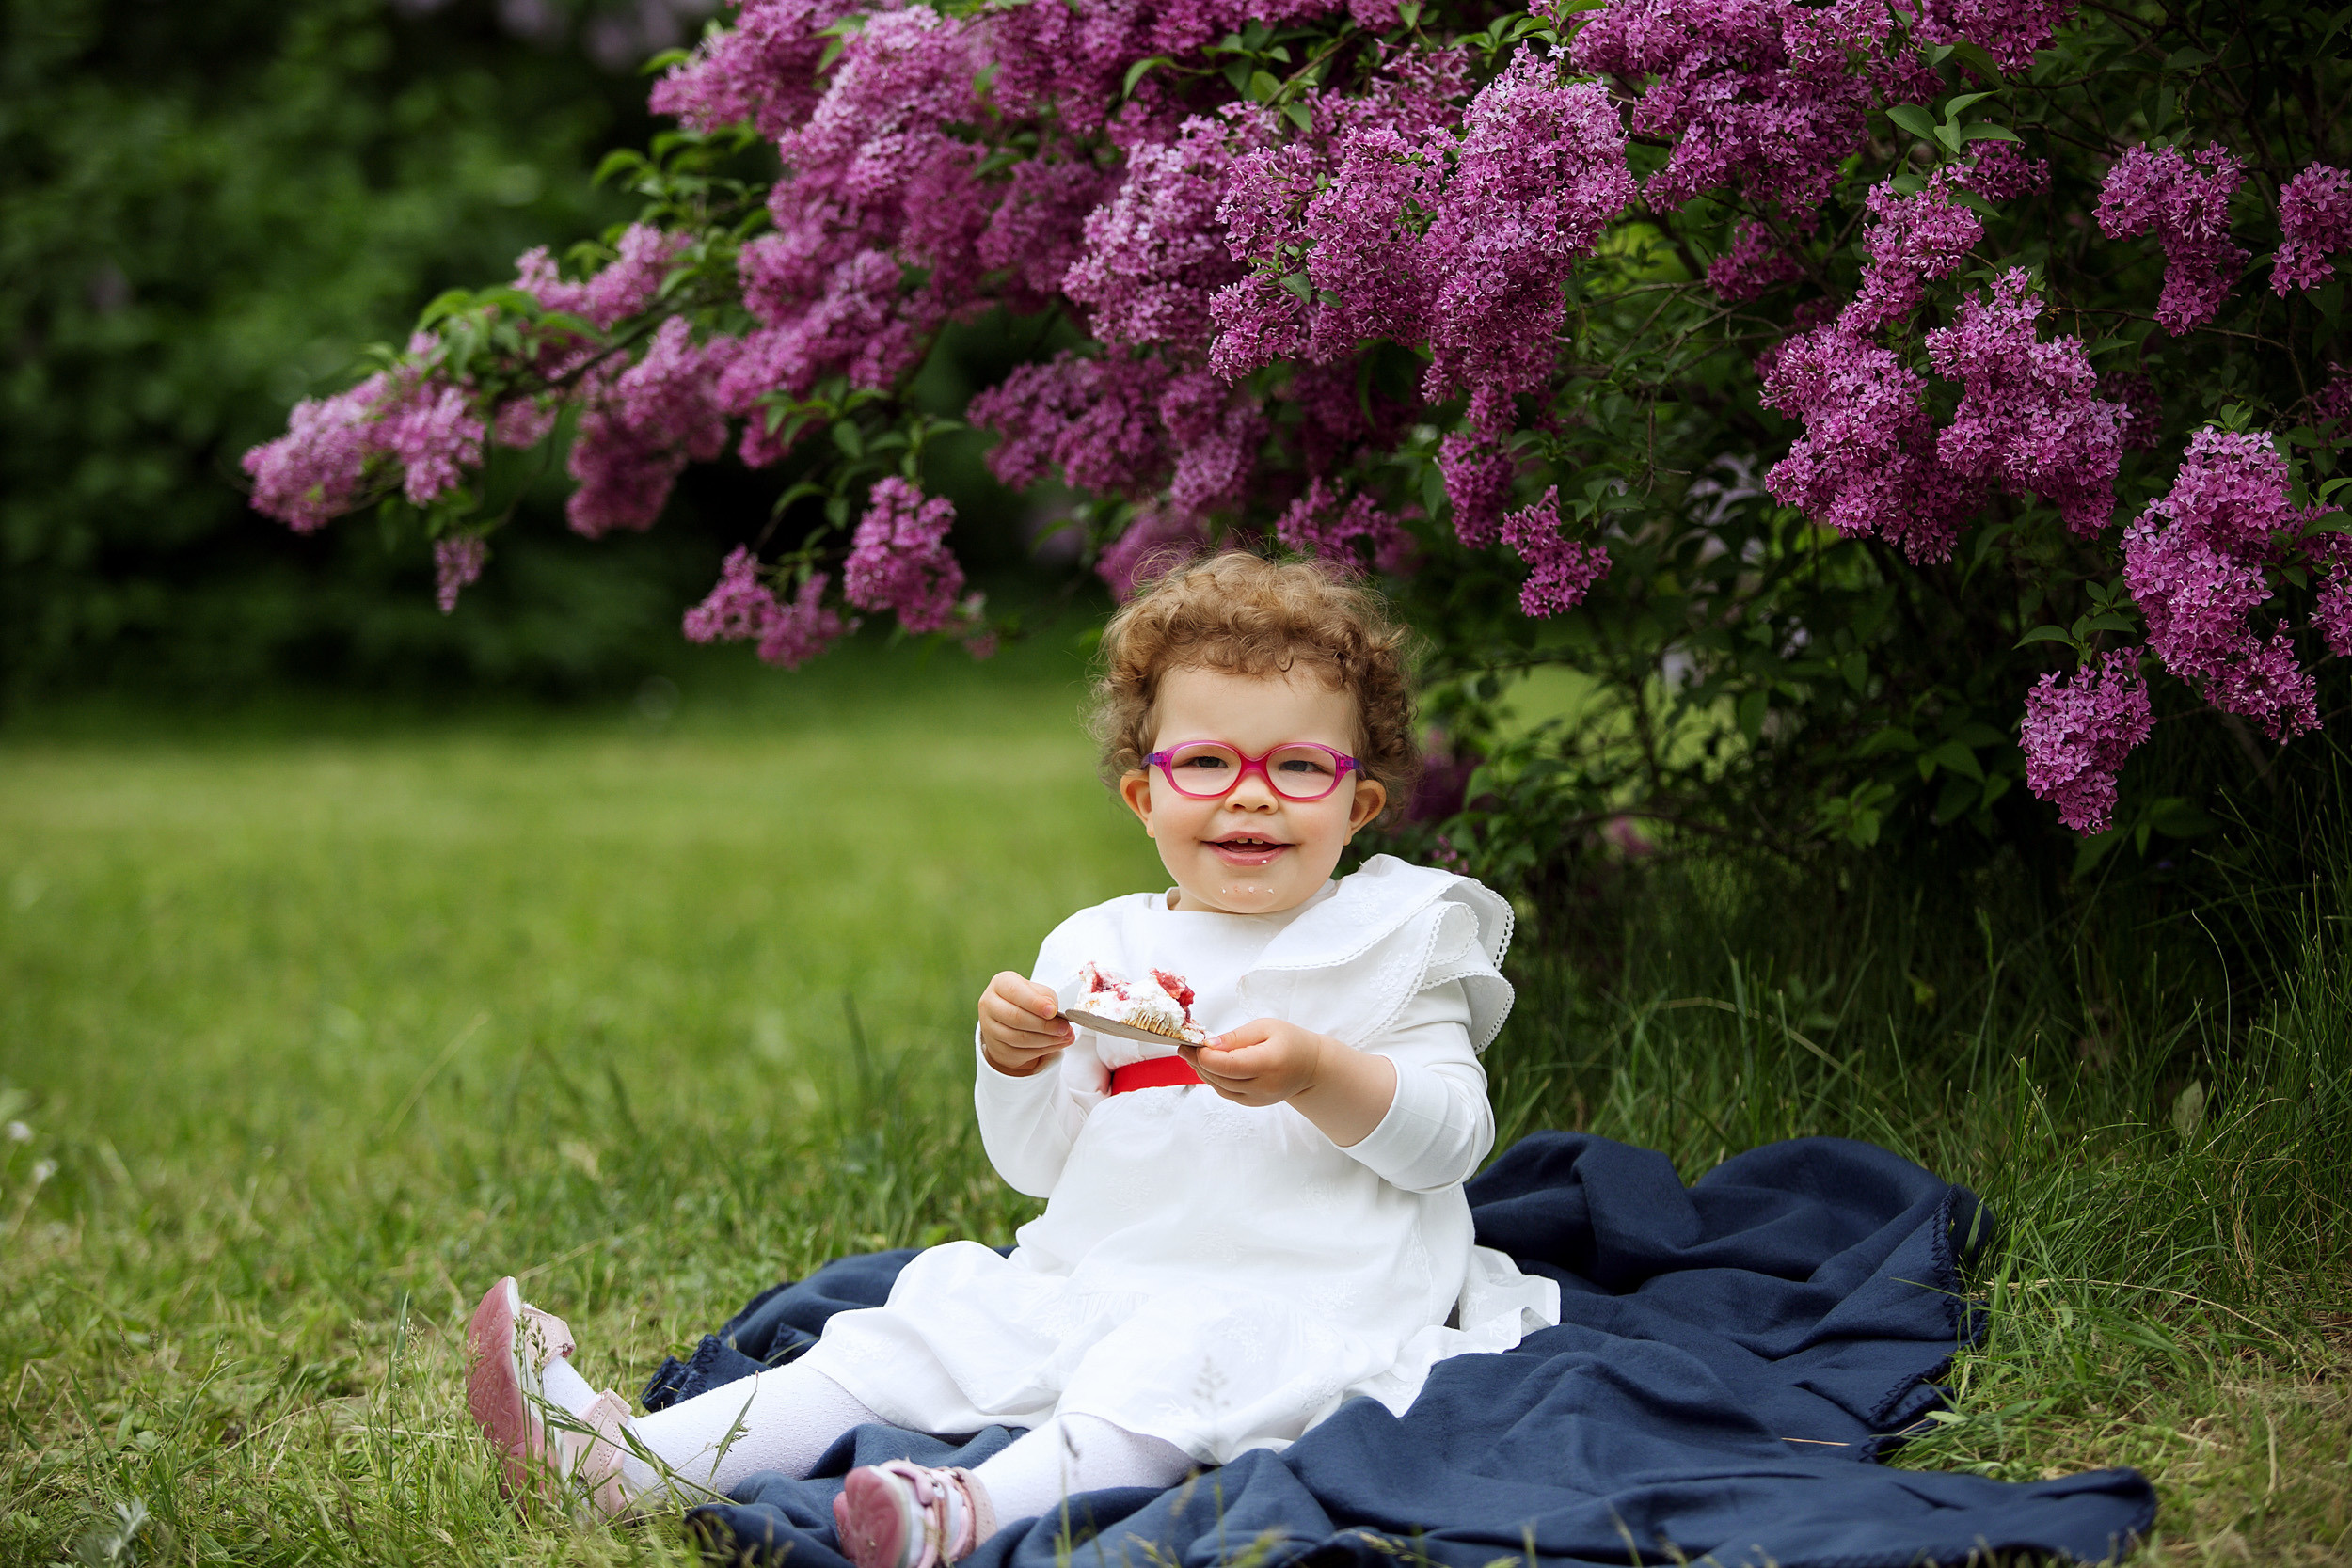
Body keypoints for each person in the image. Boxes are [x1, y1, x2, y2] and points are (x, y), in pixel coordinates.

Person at [465, 551, 1560, 1566]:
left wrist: (1321, 1071)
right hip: (1104, 1266)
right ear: (1145, 794)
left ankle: (968, 1511)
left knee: (1167, 1378)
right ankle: (618, 1460)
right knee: (908, 1332)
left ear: (1359, 802)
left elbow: (1448, 1140)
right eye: (1208, 761)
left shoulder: (1391, 936)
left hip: (1309, 1284)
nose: (1251, 792)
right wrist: (1019, 1060)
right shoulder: (1099, 946)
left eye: (1299, 767)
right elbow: (1036, 1167)